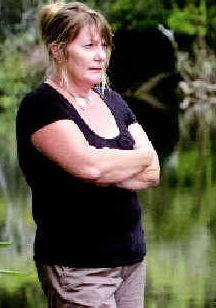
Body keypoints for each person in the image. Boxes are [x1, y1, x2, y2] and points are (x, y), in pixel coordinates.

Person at [16, 2, 159, 307]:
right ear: (58, 50)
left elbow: (152, 169)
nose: (100, 55)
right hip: (79, 266)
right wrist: (118, 163)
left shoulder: (111, 99)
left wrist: (108, 165)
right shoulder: (42, 106)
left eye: (104, 45)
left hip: (130, 261)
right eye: (89, 46)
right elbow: (91, 167)